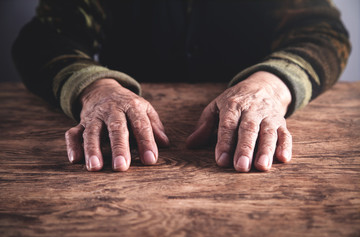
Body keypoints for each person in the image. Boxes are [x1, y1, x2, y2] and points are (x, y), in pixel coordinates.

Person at [12, 0, 350, 172]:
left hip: (255, 105)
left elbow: (321, 31)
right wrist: (94, 88)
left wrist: (272, 86)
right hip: (125, 132)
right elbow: (45, 37)